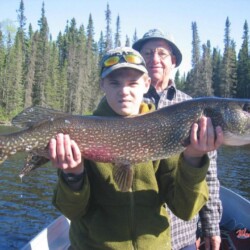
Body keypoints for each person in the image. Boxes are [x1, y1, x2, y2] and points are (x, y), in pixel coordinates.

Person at [50, 47, 223, 250]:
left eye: (133, 83)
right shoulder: (80, 131)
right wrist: (73, 176)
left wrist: (194, 159)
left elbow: (185, 210)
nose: (124, 91)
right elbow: (72, 211)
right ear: (102, 85)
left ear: (146, 84)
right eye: (115, 82)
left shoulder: (164, 130)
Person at [133, 29, 222, 250]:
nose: (154, 59)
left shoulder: (194, 106)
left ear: (173, 61)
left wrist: (211, 227)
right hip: (140, 235)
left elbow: (208, 175)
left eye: (162, 54)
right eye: (148, 53)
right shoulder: (126, 104)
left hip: (182, 233)